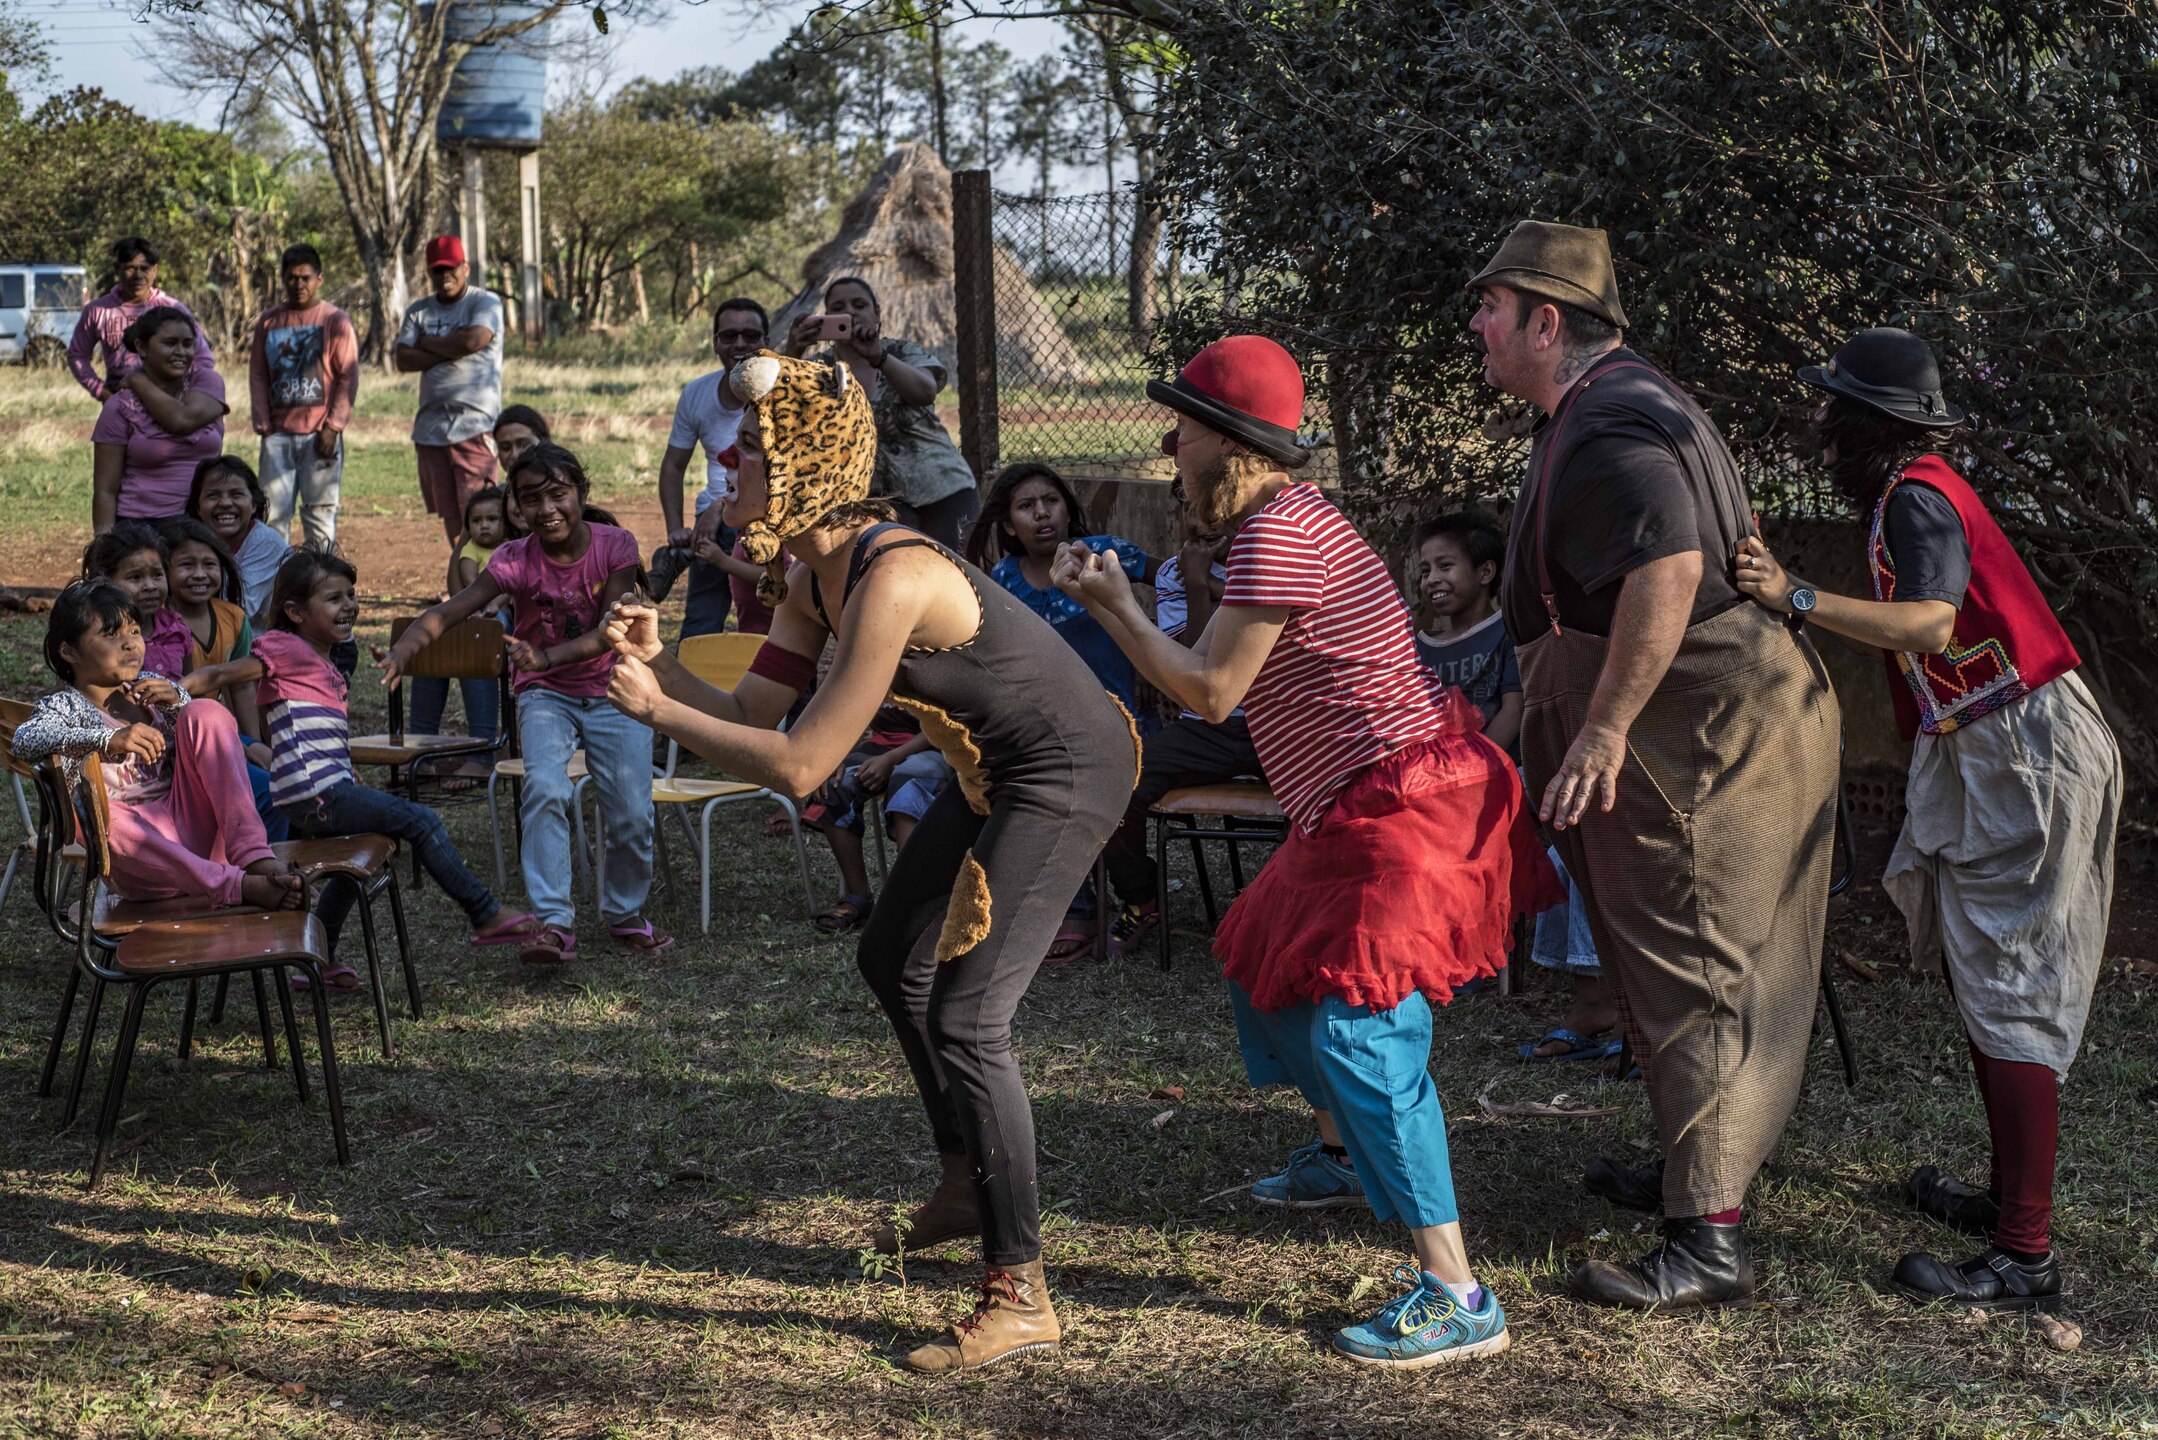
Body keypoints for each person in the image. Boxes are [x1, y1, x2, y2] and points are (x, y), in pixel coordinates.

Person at [598, 349, 1136, 1373]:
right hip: (993, 772)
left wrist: (656, 709)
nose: (729, 470)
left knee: (970, 1018)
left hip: (1066, 775)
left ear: (801, 466)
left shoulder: (892, 578)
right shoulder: (814, 579)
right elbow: (753, 715)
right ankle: (960, 1182)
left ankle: (1020, 1289)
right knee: (890, 957)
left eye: (749, 453)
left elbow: (802, 764)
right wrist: (661, 662)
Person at [1055, 334, 1556, 1369]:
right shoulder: (1279, 528)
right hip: (1352, 805)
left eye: (1183, 426)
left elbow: (1207, 692)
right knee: (1264, 973)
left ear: (1231, 444)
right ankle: (1340, 1156)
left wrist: (1111, 605)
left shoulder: (1282, 535)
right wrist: (1131, 605)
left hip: (1405, 804)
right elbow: (1203, 666)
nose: (1167, 442)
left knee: (1360, 1037)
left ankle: (1458, 1292)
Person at [1467, 220, 1840, 1310]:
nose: (1477, 329)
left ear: (1547, 320)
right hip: (1690, 722)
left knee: (1696, 957)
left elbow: (1668, 567)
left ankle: (1708, 1240)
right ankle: (1690, 1171)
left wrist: (1604, 726)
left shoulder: (1620, 414)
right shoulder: (1611, 404)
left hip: (1700, 736)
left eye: (1490, 309)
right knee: (1659, 955)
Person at [1733, 328, 2121, 1312]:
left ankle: (2025, 1257)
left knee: (2013, 982)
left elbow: (1930, 625)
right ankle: (2009, 1207)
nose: (1820, 431)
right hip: (1989, 743)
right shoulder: (1909, 496)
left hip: (2019, 750)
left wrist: (1796, 594)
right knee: (1989, 974)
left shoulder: (1916, 496)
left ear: (1866, 425)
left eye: (1833, 414)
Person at [188, 549, 539, 988]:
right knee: (420, 819)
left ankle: (318, 958)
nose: (350, 606)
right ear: (295, 612)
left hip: (319, 789)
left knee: (361, 854)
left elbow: (314, 733)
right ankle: (484, 913)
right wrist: (180, 690)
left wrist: (344, 771)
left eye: (351, 595)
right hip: (315, 794)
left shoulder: (322, 659)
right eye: (334, 599)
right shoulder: (286, 646)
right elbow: (226, 673)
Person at [384, 443, 667, 967]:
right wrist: (404, 649)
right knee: (543, 790)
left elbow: (613, 631)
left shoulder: (616, 546)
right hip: (545, 695)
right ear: (516, 507)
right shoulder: (513, 559)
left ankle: (624, 912)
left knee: (630, 813)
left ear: (581, 493)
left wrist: (545, 655)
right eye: (531, 499)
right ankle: (553, 924)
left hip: (614, 687)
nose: (547, 509)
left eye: (558, 494)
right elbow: (452, 611)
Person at [13, 579, 305, 915]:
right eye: (111, 635)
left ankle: (254, 857)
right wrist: (106, 739)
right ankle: (238, 886)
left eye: (135, 632)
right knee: (105, 817)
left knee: (206, 711)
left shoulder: (150, 690)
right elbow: (25, 739)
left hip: (195, 833)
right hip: (142, 862)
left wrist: (179, 705)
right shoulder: (66, 706)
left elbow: (208, 742)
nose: (129, 644)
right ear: (69, 651)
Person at [967, 461, 1158, 960]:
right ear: (1008, 525)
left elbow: (1176, 580)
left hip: (1123, 723)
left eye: (1050, 501)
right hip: (1048, 727)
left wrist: (1172, 649)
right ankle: (1073, 903)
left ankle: (1140, 898)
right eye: (1026, 507)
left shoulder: (1105, 556)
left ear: (1068, 510)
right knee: (1023, 791)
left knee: (1107, 798)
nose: (1041, 514)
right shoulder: (1003, 580)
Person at [1094, 477, 1265, 960]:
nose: (1207, 518)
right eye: (1194, 507)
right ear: (1179, 519)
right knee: (1118, 783)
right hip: (1203, 727)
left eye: (1220, 508)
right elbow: (1187, 667)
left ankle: (1308, 905)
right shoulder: (1174, 574)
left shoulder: (1272, 563)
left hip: (1275, 724)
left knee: (1331, 791)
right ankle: (1141, 898)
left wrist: (1211, 584)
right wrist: (1197, 585)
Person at [785, 276, 979, 549]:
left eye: (859, 304)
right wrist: (792, 352)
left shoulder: (902, 351)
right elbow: (786, 413)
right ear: (827, 318)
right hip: (874, 503)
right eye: (839, 307)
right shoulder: (818, 371)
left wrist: (879, 358)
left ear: (876, 313)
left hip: (942, 487)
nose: (850, 311)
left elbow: (925, 391)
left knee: (959, 575)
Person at [158, 515, 285, 842]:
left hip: (222, 734)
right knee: (268, 794)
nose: (199, 574)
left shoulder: (233, 617)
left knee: (282, 775)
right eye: (186, 565)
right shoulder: (159, 623)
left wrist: (252, 743)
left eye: (209, 565)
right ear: (165, 569)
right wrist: (240, 751)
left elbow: (241, 686)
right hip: (180, 739)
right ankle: (258, 875)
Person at [650, 298, 768, 636]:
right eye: (729, 336)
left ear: (767, 341)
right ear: (715, 342)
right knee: (700, 624)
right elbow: (673, 466)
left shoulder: (780, 394)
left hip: (766, 519)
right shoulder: (697, 393)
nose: (740, 344)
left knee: (767, 622)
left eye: (751, 335)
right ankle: (692, 685)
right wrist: (675, 530)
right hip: (713, 524)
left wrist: (721, 505)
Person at [394, 235, 503, 545]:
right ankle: (463, 581)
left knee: (482, 510)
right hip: (431, 428)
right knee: (450, 512)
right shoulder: (419, 310)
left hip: (474, 422)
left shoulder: (484, 302)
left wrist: (426, 343)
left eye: (451, 269)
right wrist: (451, 347)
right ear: (429, 273)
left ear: (465, 267)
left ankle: (489, 580)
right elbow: (402, 359)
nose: (445, 277)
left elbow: (473, 340)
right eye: (438, 270)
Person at [249, 243, 357, 548]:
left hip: (319, 433)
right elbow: (258, 372)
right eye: (292, 278)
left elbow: (347, 375)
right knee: (272, 515)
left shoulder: (335, 320)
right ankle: (277, 582)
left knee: (320, 512)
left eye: (306, 278)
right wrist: (263, 422)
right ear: (282, 278)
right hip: (278, 433)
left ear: (319, 279)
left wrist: (333, 427)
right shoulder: (269, 322)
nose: (299, 285)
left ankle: (321, 583)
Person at [91, 308, 226, 531]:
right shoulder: (120, 407)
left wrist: (137, 381)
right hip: (140, 528)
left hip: (202, 524)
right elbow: (106, 490)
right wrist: (104, 549)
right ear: (141, 347)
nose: (181, 352)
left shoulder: (206, 383)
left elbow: (182, 420)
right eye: (170, 343)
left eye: (188, 343)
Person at [404, 485, 510, 750]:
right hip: (479, 610)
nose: (484, 526)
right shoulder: (472, 548)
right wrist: (465, 536)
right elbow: (461, 590)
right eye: (476, 521)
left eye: (492, 519)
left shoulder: (516, 545)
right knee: (433, 635)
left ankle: (482, 747)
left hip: (511, 619)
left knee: (479, 636)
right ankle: (420, 744)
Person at [67, 236, 220, 410]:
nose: (138, 275)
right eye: (130, 268)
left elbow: (203, 358)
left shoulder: (173, 309)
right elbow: (77, 355)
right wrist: (101, 391)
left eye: (144, 268)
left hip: (169, 405)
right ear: (117, 269)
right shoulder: (98, 310)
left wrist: (186, 396)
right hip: (120, 405)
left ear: (154, 270)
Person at [189, 456, 290, 625]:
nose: (225, 503)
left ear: (253, 505)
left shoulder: (265, 542)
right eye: (213, 496)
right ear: (198, 507)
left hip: (268, 642)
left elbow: (239, 608)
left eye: (236, 494)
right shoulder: (193, 542)